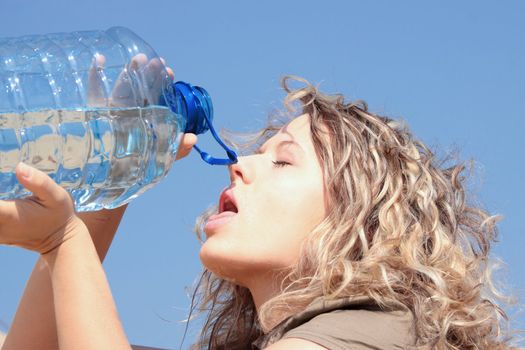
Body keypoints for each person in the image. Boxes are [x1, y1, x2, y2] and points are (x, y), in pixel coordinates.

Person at [0, 73, 517, 349]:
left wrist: (65, 243)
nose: (240, 164)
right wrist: (113, 180)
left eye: (283, 160)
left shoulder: (371, 333)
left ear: (358, 220)